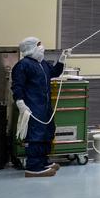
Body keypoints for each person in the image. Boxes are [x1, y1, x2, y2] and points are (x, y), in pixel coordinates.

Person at [11, 37, 68, 178]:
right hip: (33, 106)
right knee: (36, 135)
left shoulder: (42, 63)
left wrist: (62, 59)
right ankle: (33, 167)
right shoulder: (23, 65)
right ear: (30, 48)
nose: (42, 47)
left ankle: (42, 161)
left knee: (47, 132)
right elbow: (17, 85)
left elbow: (54, 73)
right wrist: (20, 102)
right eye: (39, 45)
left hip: (45, 106)